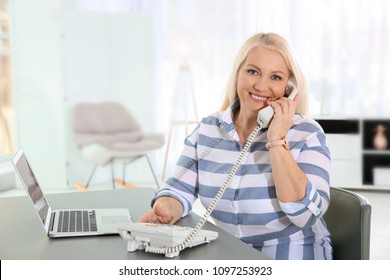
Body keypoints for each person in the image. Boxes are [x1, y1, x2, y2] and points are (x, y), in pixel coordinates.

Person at [139, 32, 332, 260]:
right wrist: (166, 208)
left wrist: (277, 141)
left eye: (276, 77)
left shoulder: (307, 134)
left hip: (290, 252)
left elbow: (305, 216)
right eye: (253, 71)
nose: (261, 85)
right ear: (237, 74)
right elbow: (178, 189)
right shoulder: (208, 130)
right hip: (227, 253)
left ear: (290, 89)